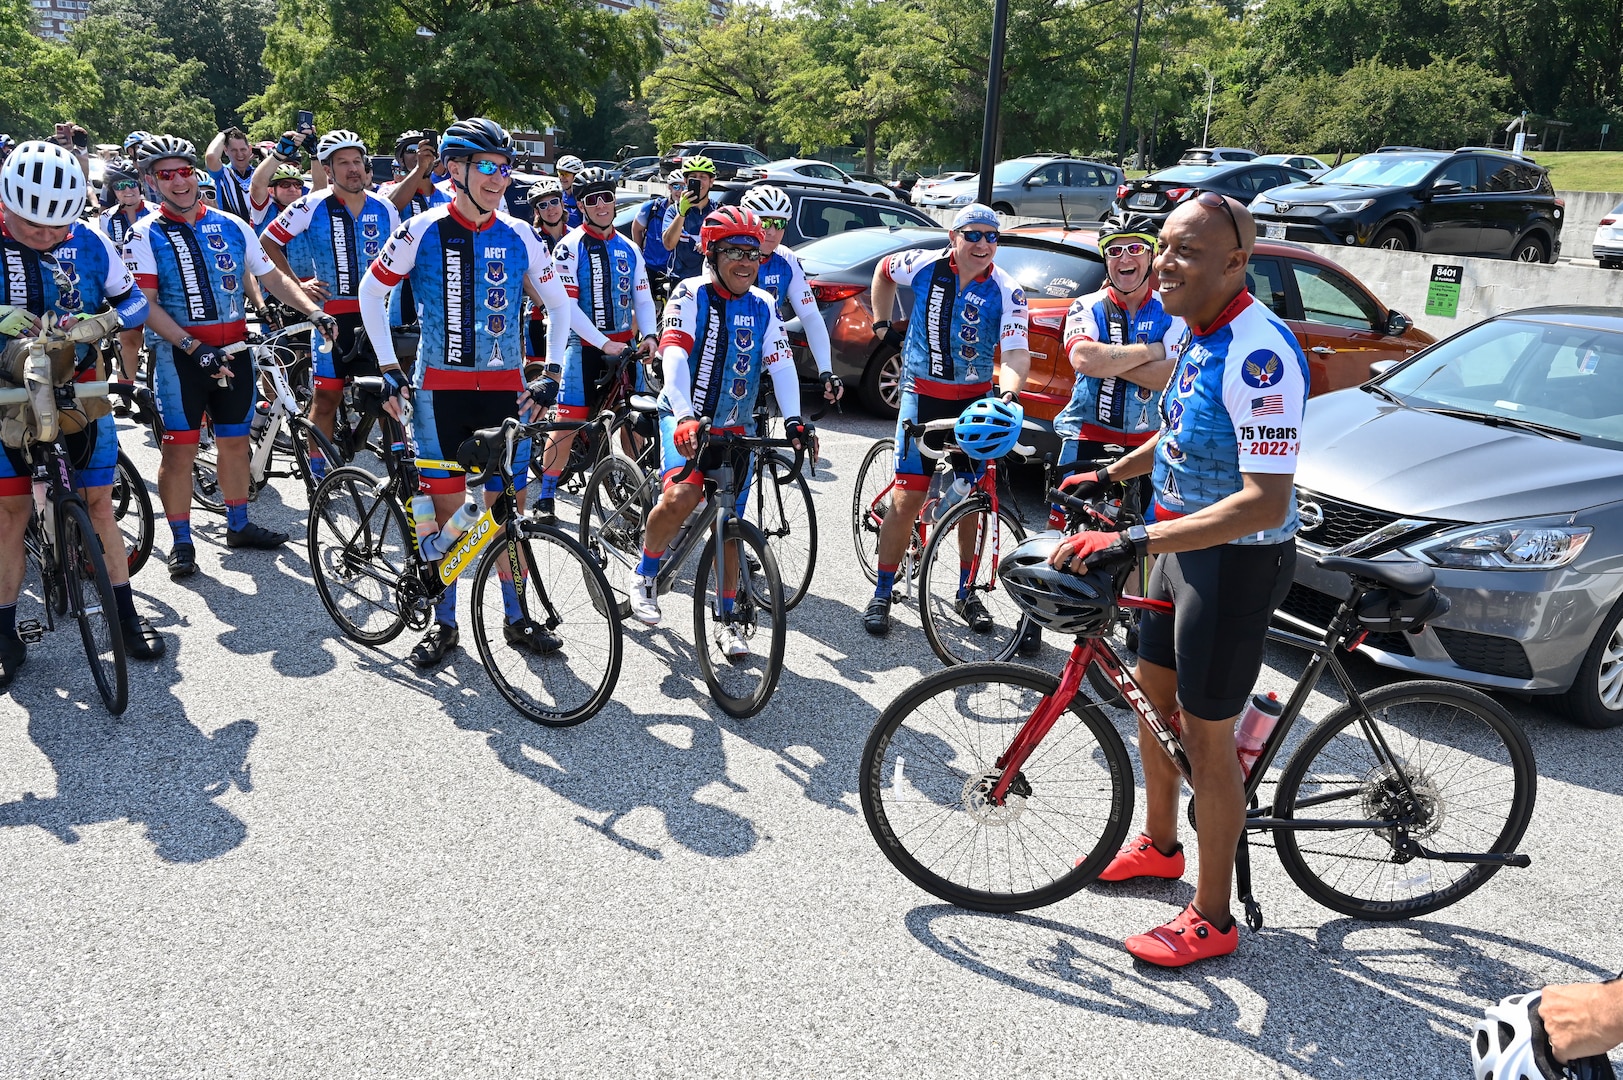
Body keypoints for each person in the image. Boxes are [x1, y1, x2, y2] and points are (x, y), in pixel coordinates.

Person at [1049, 192, 1308, 968]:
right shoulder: (1193, 330)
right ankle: (1160, 846)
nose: (1164, 263)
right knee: (1149, 699)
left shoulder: (1260, 353)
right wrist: (1109, 470)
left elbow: (1263, 498)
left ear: (1235, 263)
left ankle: (1212, 915)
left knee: (1206, 738)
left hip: (1232, 559)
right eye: (1163, 246)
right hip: (1177, 546)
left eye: (1185, 251)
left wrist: (1131, 532)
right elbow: (1180, 429)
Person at [357, 118, 585, 668]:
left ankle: (516, 615)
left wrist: (550, 371)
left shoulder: (521, 233)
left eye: (504, 168)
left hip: (506, 391)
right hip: (442, 391)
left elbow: (559, 306)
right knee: (449, 506)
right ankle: (445, 621)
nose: (498, 178)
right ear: (454, 171)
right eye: (486, 167)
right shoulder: (422, 229)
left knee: (507, 508)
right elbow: (371, 290)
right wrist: (389, 365)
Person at [123, 135, 339, 579]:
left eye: (185, 171)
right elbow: (145, 304)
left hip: (236, 350)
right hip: (179, 357)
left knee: (235, 442)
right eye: (167, 175)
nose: (179, 181)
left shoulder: (230, 224)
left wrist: (313, 310)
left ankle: (238, 524)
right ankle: (182, 541)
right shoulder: (143, 233)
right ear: (151, 182)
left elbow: (272, 277)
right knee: (179, 450)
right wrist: (191, 346)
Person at [0, 140, 162, 690]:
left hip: (81, 392)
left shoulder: (90, 240)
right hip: (7, 400)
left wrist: (102, 322)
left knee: (99, 506)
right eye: (32, 227)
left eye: (57, 228)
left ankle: (126, 617)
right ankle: (4, 636)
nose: (47, 237)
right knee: (10, 514)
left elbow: (137, 301)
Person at [627, 206, 813, 652]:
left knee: (730, 524)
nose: (746, 262)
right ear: (711, 253)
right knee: (683, 496)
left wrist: (794, 420)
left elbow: (782, 365)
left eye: (753, 253)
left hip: (736, 425)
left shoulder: (764, 304)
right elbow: (673, 355)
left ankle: (726, 618)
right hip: (686, 412)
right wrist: (686, 413)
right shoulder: (689, 294)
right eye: (734, 251)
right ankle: (646, 573)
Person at [862, 203, 1031, 639]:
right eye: (973, 234)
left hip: (974, 400)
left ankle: (965, 590)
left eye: (992, 236)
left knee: (968, 502)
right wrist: (882, 324)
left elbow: (1014, 353)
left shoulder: (1007, 291)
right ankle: (882, 592)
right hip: (921, 394)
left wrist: (1009, 393)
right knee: (907, 500)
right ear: (953, 237)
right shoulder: (923, 264)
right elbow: (882, 270)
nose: (982, 244)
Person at [262, 130, 399, 475]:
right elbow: (268, 241)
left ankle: (399, 469)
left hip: (375, 317)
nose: (352, 169)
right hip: (331, 317)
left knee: (388, 398)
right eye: (343, 163)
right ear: (328, 168)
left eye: (356, 161)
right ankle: (319, 472)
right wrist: (297, 284)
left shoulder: (384, 207)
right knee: (326, 400)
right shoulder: (310, 205)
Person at [533, 166, 655, 521]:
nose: (601, 205)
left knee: (634, 422)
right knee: (569, 422)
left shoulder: (630, 248)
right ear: (581, 205)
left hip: (625, 347)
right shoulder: (570, 247)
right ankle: (546, 495)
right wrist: (603, 342)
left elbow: (643, 299)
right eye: (592, 199)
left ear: (615, 201)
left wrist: (648, 336)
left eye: (607, 197)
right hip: (583, 347)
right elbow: (566, 306)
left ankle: (633, 491)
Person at [1048, 213, 1184, 529]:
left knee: (1143, 543)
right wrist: (1152, 351)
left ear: (1151, 255)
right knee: (1061, 537)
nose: (1125, 258)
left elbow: (1172, 375)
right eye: (1115, 251)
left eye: (1135, 249)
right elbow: (1083, 359)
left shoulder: (1172, 309)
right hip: (1086, 437)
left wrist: (1108, 363)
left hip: (1149, 444)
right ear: (1106, 258)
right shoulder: (1086, 305)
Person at [738, 185, 838, 403]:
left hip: (767, 355)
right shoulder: (727, 253)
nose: (772, 232)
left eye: (780, 223)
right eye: (765, 222)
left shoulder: (786, 259)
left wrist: (826, 370)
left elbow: (810, 315)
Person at [659, 156, 719, 289]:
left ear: (711, 181)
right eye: (693, 177)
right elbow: (668, 244)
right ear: (685, 181)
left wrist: (709, 246)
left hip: (710, 281)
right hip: (680, 281)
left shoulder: (719, 211)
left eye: (703, 177)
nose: (698, 181)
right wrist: (682, 213)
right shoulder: (673, 210)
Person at [631, 172, 682, 308]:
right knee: (645, 306)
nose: (680, 191)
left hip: (673, 269)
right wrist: (639, 254)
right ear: (669, 187)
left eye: (684, 187)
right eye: (676, 186)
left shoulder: (688, 212)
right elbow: (636, 228)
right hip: (650, 267)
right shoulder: (653, 207)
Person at [204, 127, 259, 222]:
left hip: (258, 234)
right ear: (225, 150)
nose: (239, 154)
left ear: (250, 149)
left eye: (243, 149)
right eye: (234, 150)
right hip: (231, 232)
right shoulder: (222, 173)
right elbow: (211, 157)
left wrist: (264, 153)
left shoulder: (259, 174)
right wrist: (222, 134)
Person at [555, 154, 585, 229]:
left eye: (565, 174)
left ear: (576, 176)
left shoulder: (583, 198)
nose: (561, 177)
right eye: (560, 173)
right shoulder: (558, 195)